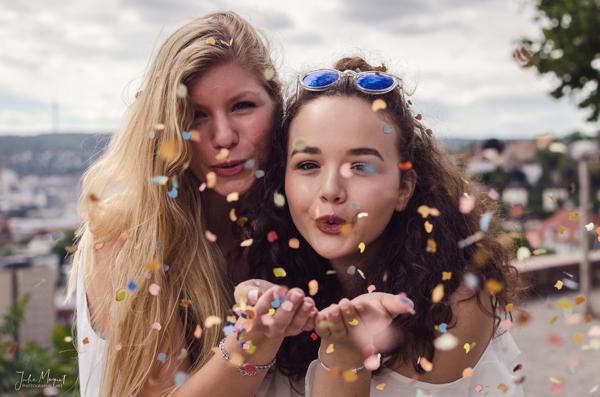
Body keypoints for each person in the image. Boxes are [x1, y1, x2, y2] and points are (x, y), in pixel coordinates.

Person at [67, 11, 316, 397]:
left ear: (276, 104)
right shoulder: (128, 236)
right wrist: (256, 338)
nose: (223, 136)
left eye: (242, 106)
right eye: (197, 115)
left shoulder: (301, 222)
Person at [244, 56, 525, 396]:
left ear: (404, 189)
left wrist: (346, 355)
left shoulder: (456, 303)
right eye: (308, 164)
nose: (331, 190)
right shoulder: (270, 270)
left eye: (360, 166)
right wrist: (256, 337)